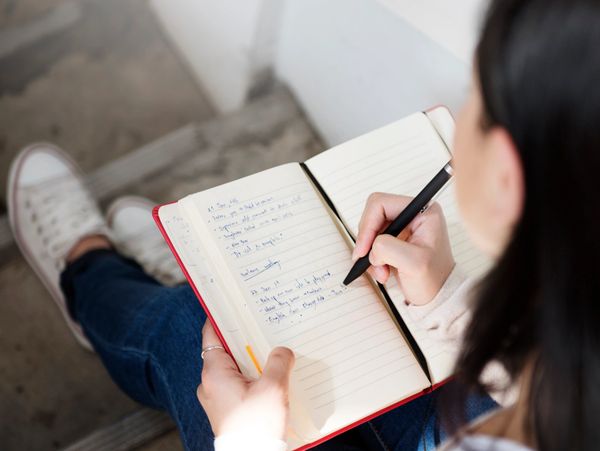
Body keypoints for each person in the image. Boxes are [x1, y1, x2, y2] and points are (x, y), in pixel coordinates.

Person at [7, 0, 599, 449]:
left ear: (506, 175)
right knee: (226, 317)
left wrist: (246, 442)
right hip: (477, 412)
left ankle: (87, 272)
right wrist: (446, 299)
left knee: (189, 327)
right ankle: (195, 286)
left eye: (476, 97)